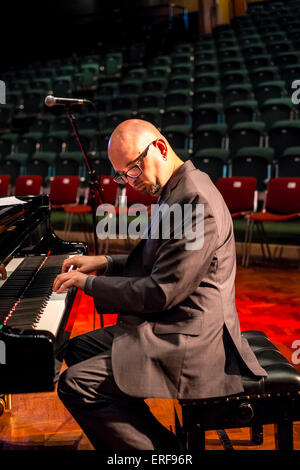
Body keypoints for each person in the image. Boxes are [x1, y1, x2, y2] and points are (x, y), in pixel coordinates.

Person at [53, 119, 267, 450]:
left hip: (193, 338)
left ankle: (161, 456)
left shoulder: (194, 202)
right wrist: (106, 262)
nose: (129, 183)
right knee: (79, 350)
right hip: (176, 320)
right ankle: (158, 443)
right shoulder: (178, 189)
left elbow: (161, 291)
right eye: (122, 175)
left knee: (76, 384)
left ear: (161, 148)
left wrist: (88, 283)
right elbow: (160, 262)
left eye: (133, 170)